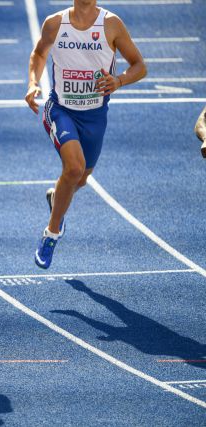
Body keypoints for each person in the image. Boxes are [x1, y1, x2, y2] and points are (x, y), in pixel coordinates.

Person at [25, 0, 146, 269]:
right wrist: (34, 83)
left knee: (80, 179)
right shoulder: (55, 23)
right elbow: (39, 54)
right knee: (74, 168)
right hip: (60, 110)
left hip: (95, 116)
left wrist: (119, 80)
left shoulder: (111, 24)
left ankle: (56, 199)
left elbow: (140, 65)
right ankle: (51, 234)